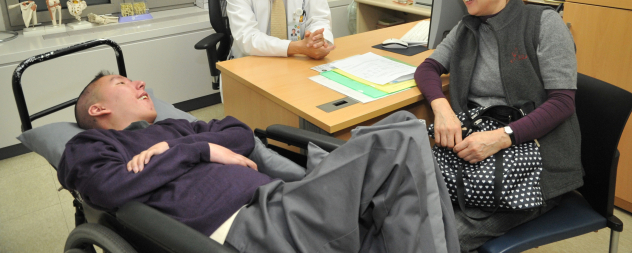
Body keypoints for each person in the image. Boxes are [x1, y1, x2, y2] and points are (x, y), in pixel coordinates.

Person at [58, 72, 460, 253]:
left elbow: (237, 131)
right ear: (97, 108)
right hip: (250, 228)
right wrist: (197, 150)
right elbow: (106, 188)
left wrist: (189, 146)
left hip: (285, 200)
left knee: (404, 128)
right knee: (400, 139)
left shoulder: (176, 127)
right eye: (123, 83)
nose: (140, 83)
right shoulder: (91, 145)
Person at [414, 0, 583, 252]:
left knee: (438, 237)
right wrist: (442, 108)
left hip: (533, 164)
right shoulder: (468, 27)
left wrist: (502, 136)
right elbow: (427, 68)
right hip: (475, 154)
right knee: (407, 207)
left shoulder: (543, 24)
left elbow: (562, 103)